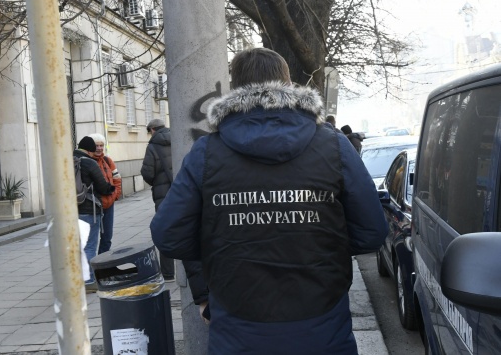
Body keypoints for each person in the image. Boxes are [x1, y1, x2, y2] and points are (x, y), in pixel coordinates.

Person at [150, 48, 387, 355]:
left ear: (236, 88)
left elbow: (169, 235)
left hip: (238, 326)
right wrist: (322, 243)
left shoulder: (207, 153)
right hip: (321, 324)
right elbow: (372, 232)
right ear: (288, 84)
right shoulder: (333, 146)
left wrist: (220, 247)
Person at [75, 136, 115, 293]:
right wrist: (111, 190)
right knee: (90, 245)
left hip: (72, 211)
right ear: (90, 149)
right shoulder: (89, 162)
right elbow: (103, 186)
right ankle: (89, 280)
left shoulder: (67, 160)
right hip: (89, 210)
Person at [141, 118, 175, 282]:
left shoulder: (153, 146)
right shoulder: (176, 139)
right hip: (181, 190)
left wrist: (156, 183)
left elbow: (147, 172)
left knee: (165, 231)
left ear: (153, 129)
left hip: (163, 194)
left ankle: (168, 273)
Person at [88, 133, 122, 254]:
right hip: (94, 206)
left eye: (101, 145)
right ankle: (93, 267)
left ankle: (103, 264)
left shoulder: (108, 161)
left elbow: (117, 178)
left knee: (107, 238)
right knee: (91, 239)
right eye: (96, 145)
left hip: (109, 205)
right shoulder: (87, 162)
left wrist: (115, 195)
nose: (99, 148)